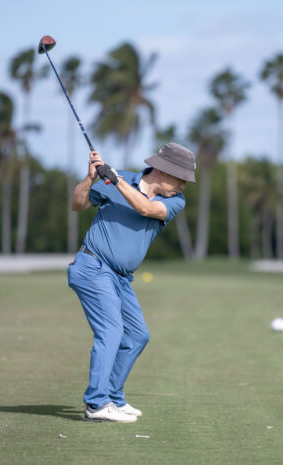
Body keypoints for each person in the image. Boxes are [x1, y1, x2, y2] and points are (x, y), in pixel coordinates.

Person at [67, 142, 196, 423]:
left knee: (137, 335)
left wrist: (116, 180)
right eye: (181, 178)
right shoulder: (118, 179)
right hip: (93, 266)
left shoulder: (175, 201)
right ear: (163, 170)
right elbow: (77, 205)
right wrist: (90, 178)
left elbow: (146, 208)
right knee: (112, 331)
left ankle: (113, 397)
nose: (183, 185)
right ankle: (96, 404)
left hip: (121, 279)